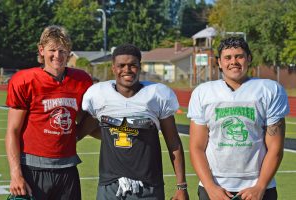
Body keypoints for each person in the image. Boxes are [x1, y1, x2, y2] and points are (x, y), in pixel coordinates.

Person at [80, 44, 189, 200]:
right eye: (121, 65)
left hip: (149, 186)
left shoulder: (157, 95)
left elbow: (173, 142)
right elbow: (80, 133)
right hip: (110, 185)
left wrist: (181, 186)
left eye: (132, 65)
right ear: (113, 68)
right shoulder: (99, 95)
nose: (127, 70)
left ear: (140, 67)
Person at [187, 37, 290, 200]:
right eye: (227, 57)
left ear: (248, 59)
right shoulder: (203, 92)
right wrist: (210, 187)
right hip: (215, 186)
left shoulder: (269, 90)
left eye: (239, 56)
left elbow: (275, 147)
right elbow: (197, 147)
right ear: (219, 63)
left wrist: (260, 186)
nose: (233, 61)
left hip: (257, 187)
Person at [5, 25, 93, 200]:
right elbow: (12, 131)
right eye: (52, 50)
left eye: (62, 50)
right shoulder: (25, 80)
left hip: (68, 168)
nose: (57, 56)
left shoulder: (81, 80)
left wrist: (76, 135)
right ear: (41, 50)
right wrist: (16, 174)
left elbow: (92, 117)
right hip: (32, 168)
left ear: (69, 52)